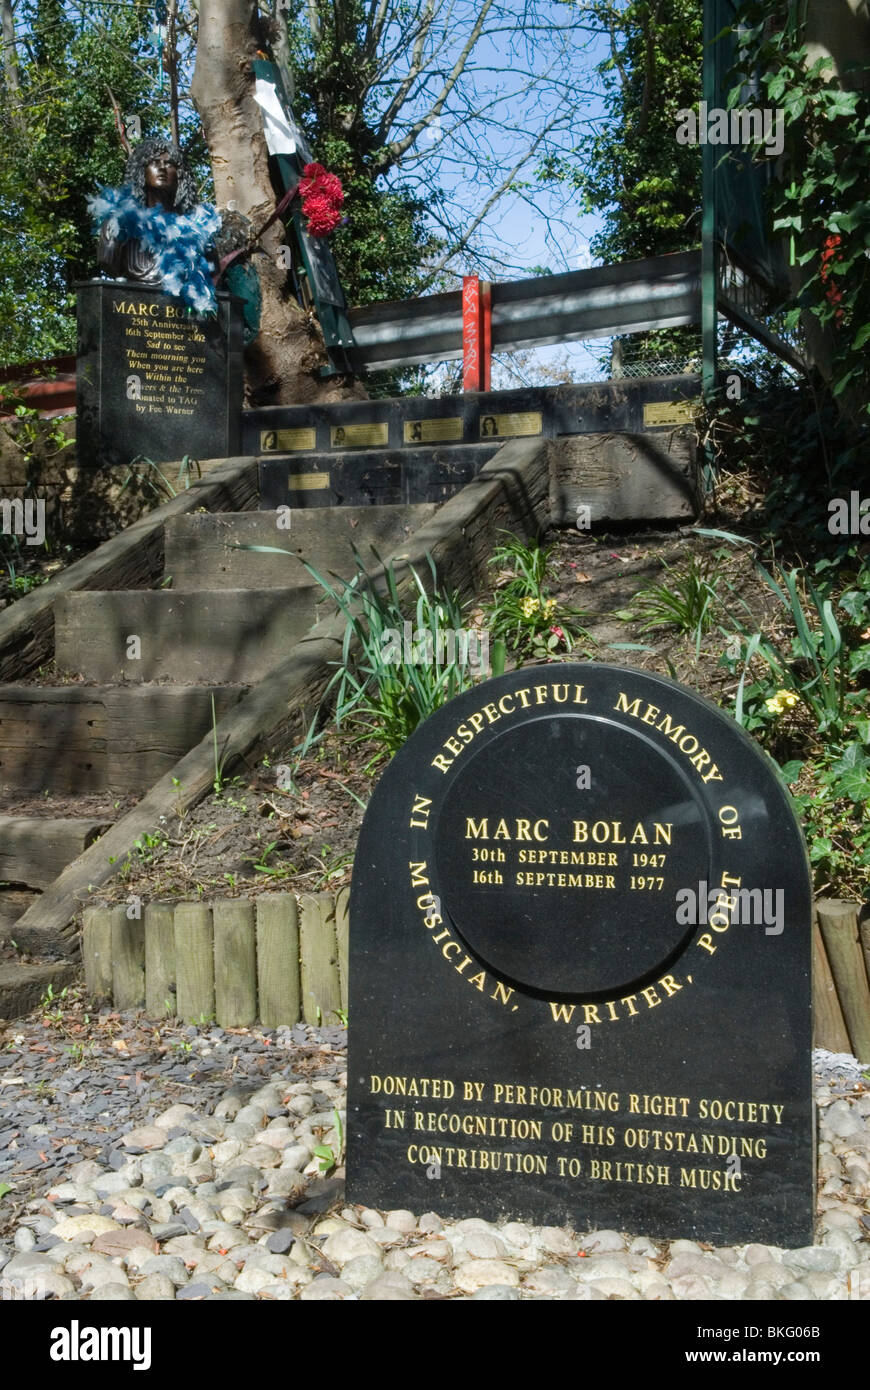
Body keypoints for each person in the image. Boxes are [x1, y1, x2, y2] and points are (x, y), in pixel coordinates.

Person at [89, 137, 222, 314]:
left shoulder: (199, 233)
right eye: (154, 162)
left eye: (169, 163)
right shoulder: (117, 224)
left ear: (180, 175)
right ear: (141, 172)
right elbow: (107, 261)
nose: (161, 167)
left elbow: (212, 270)